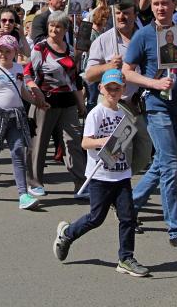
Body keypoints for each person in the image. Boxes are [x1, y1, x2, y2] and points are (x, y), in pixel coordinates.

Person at [122, 0, 177, 251]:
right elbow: (127, 72)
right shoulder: (143, 36)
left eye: (165, 3)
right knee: (170, 166)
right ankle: (175, 229)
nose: (160, 8)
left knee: (161, 166)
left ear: (174, 5)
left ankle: (127, 207)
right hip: (156, 107)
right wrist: (153, 85)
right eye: (156, 4)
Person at [51, 69, 149, 277]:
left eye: (117, 88)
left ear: (122, 90)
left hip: (121, 174)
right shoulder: (96, 113)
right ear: (102, 89)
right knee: (96, 218)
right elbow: (85, 143)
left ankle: (126, 258)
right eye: (109, 88)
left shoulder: (124, 114)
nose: (113, 92)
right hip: (100, 176)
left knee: (128, 217)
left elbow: (126, 140)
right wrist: (102, 142)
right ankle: (67, 234)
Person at [84, 0, 152, 173]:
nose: (122, 17)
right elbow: (89, 75)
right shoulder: (104, 40)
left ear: (135, 15)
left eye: (126, 13)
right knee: (117, 152)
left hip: (138, 104)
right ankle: (118, 190)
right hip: (114, 103)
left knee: (144, 151)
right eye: (118, 13)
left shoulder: (145, 37)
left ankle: (124, 181)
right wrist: (109, 66)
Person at [0, 35, 43, 209]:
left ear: (14, 52)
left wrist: (38, 102)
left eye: (7, 51)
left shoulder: (19, 69)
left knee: (18, 152)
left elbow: (22, 92)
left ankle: (23, 195)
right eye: (1, 51)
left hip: (16, 117)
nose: (3, 54)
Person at [24, 11, 87, 194]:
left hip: (68, 102)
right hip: (45, 101)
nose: (54, 29)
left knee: (73, 142)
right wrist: (36, 94)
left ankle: (80, 183)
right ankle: (35, 182)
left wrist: (81, 104)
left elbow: (74, 80)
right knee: (39, 144)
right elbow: (28, 74)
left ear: (65, 29)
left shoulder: (69, 49)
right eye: (51, 25)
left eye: (58, 26)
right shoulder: (40, 48)